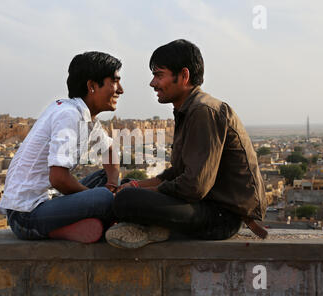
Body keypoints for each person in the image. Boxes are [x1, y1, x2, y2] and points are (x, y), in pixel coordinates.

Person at [105, 39, 267, 249]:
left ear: (183, 76)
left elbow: (194, 186)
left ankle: (151, 228)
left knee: (126, 200)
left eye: (159, 75)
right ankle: (153, 227)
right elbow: (178, 173)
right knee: (128, 186)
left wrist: (141, 193)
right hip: (205, 207)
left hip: (221, 218)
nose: (153, 83)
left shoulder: (203, 111)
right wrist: (137, 185)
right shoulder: (191, 110)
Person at [0, 51, 123, 243]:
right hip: (25, 216)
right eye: (114, 82)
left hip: (49, 203)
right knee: (104, 199)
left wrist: (112, 184)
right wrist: (100, 198)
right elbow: (58, 178)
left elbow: (110, 150)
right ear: (91, 86)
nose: (120, 90)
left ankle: (78, 224)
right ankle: (62, 228)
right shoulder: (69, 115)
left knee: (109, 184)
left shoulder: (86, 117)